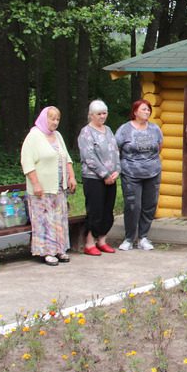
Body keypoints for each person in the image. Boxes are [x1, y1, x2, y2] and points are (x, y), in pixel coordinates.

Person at [21, 106, 77, 266]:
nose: (55, 122)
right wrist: (36, 183)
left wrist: (71, 176)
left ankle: (60, 249)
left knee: (59, 218)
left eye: (57, 119)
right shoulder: (34, 136)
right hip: (42, 189)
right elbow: (27, 162)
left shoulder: (57, 136)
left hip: (59, 187)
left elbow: (66, 157)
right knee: (44, 220)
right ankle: (47, 252)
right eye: (52, 118)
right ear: (44, 118)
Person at [115, 99, 163, 251]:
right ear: (135, 112)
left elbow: (159, 147)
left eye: (148, 109)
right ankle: (129, 238)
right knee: (133, 206)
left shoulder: (155, 129)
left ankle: (143, 237)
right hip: (131, 173)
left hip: (152, 172)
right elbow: (116, 149)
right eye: (143, 109)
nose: (147, 112)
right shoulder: (124, 129)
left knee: (149, 205)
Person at [77, 99, 121, 256]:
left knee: (108, 210)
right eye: (99, 114)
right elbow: (89, 157)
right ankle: (89, 243)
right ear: (91, 115)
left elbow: (115, 151)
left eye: (104, 113)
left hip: (112, 178)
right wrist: (104, 174)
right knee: (95, 210)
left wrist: (117, 170)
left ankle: (102, 240)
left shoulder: (108, 130)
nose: (102, 116)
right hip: (93, 178)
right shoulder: (86, 133)